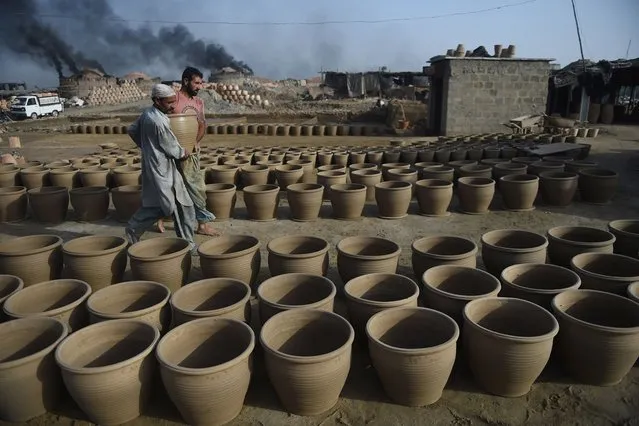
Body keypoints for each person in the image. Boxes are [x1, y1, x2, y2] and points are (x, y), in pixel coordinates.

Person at [125, 83, 196, 250]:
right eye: (169, 103)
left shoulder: (148, 114)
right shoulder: (157, 120)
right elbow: (171, 147)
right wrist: (183, 152)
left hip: (163, 164)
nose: (173, 106)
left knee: (183, 204)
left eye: (174, 102)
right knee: (165, 206)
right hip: (160, 167)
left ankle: (188, 243)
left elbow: (132, 130)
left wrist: (147, 146)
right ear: (157, 100)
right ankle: (133, 228)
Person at [156, 67, 220, 237]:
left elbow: (202, 125)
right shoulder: (172, 99)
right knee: (167, 186)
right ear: (185, 81)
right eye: (197, 83)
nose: (200, 86)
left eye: (201, 83)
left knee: (197, 187)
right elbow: (159, 123)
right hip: (170, 152)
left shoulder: (199, 103)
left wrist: (196, 142)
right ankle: (158, 217)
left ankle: (202, 224)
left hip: (190, 153)